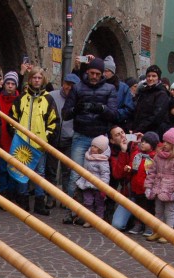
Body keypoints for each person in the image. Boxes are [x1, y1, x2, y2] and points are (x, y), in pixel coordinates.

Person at [62, 57, 118, 222]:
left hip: (99, 138)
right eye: (92, 73)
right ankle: (73, 211)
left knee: (99, 177)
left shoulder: (109, 89)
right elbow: (65, 113)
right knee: (75, 175)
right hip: (81, 135)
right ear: (87, 72)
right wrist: (77, 108)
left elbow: (114, 114)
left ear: (102, 74)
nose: (94, 76)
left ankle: (94, 211)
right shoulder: (78, 88)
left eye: (98, 73)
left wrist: (101, 108)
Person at [9, 67, 58, 215]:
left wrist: (46, 137)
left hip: (39, 144)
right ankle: (23, 202)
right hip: (22, 143)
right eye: (34, 77)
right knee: (22, 172)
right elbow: (12, 118)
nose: (37, 80)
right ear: (29, 79)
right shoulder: (21, 98)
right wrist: (17, 134)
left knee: (39, 173)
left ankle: (39, 203)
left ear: (43, 80)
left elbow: (54, 121)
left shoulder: (48, 99)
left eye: (39, 78)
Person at [144, 124, 174, 243]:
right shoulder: (159, 156)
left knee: (169, 211)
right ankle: (157, 231)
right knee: (158, 211)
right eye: (164, 141)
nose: (164, 144)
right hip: (158, 188)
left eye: (167, 142)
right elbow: (152, 172)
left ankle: (168, 233)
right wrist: (148, 186)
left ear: (173, 144)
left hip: (170, 189)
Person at [111, 130, 158, 234]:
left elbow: (162, 147)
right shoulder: (136, 154)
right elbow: (119, 174)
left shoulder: (152, 155)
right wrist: (124, 152)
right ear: (112, 140)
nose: (123, 136)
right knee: (138, 208)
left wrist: (139, 142)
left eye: (123, 133)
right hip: (133, 190)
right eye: (117, 135)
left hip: (147, 188)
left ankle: (149, 225)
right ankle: (138, 224)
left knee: (149, 208)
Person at [46, 73, 79, 199]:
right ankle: (50, 197)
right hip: (53, 138)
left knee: (68, 171)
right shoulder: (51, 96)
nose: (69, 87)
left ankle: (66, 198)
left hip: (69, 139)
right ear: (63, 83)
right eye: (67, 84)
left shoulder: (78, 99)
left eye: (72, 85)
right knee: (51, 170)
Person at [0, 71, 21, 200]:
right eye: (8, 83)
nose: (10, 86)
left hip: (15, 138)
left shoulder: (20, 100)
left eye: (13, 84)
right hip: (1, 137)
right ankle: (3, 194)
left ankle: (12, 194)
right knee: (1, 169)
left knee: (14, 169)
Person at [73, 134, 110, 226]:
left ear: (101, 150)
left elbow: (105, 174)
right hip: (86, 184)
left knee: (99, 203)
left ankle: (99, 219)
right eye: (92, 146)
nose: (92, 148)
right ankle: (89, 219)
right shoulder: (88, 156)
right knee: (87, 202)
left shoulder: (103, 161)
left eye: (95, 147)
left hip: (98, 186)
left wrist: (104, 187)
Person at [132, 65, 170, 137]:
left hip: (151, 133)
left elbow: (156, 117)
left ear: (158, 78)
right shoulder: (143, 92)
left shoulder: (162, 94)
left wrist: (139, 129)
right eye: (148, 76)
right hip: (137, 131)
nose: (150, 78)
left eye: (154, 76)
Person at [103, 55, 135, 130]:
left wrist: (113, 114)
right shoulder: (99, 85)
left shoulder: (123, 88)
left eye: (106, 71)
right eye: (102, 71)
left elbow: (129, 109)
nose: (103, 74)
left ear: (112, 71)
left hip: (116, 126)